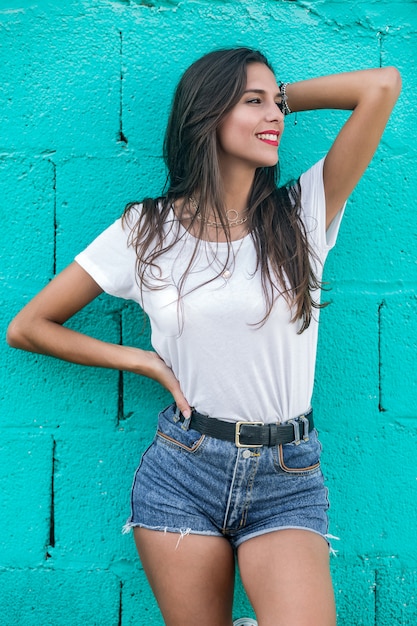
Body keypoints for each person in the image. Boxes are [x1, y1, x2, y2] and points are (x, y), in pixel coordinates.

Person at [7, 47, 401, 626]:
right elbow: (28, 326)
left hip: (287, 475)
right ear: (207, 116)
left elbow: (383, 86)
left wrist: (282, 97)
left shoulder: (303, 213)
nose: (276, 117)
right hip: (183, 472)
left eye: (279, 104)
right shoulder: (146, 230)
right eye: (253, 102)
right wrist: (143, 362)